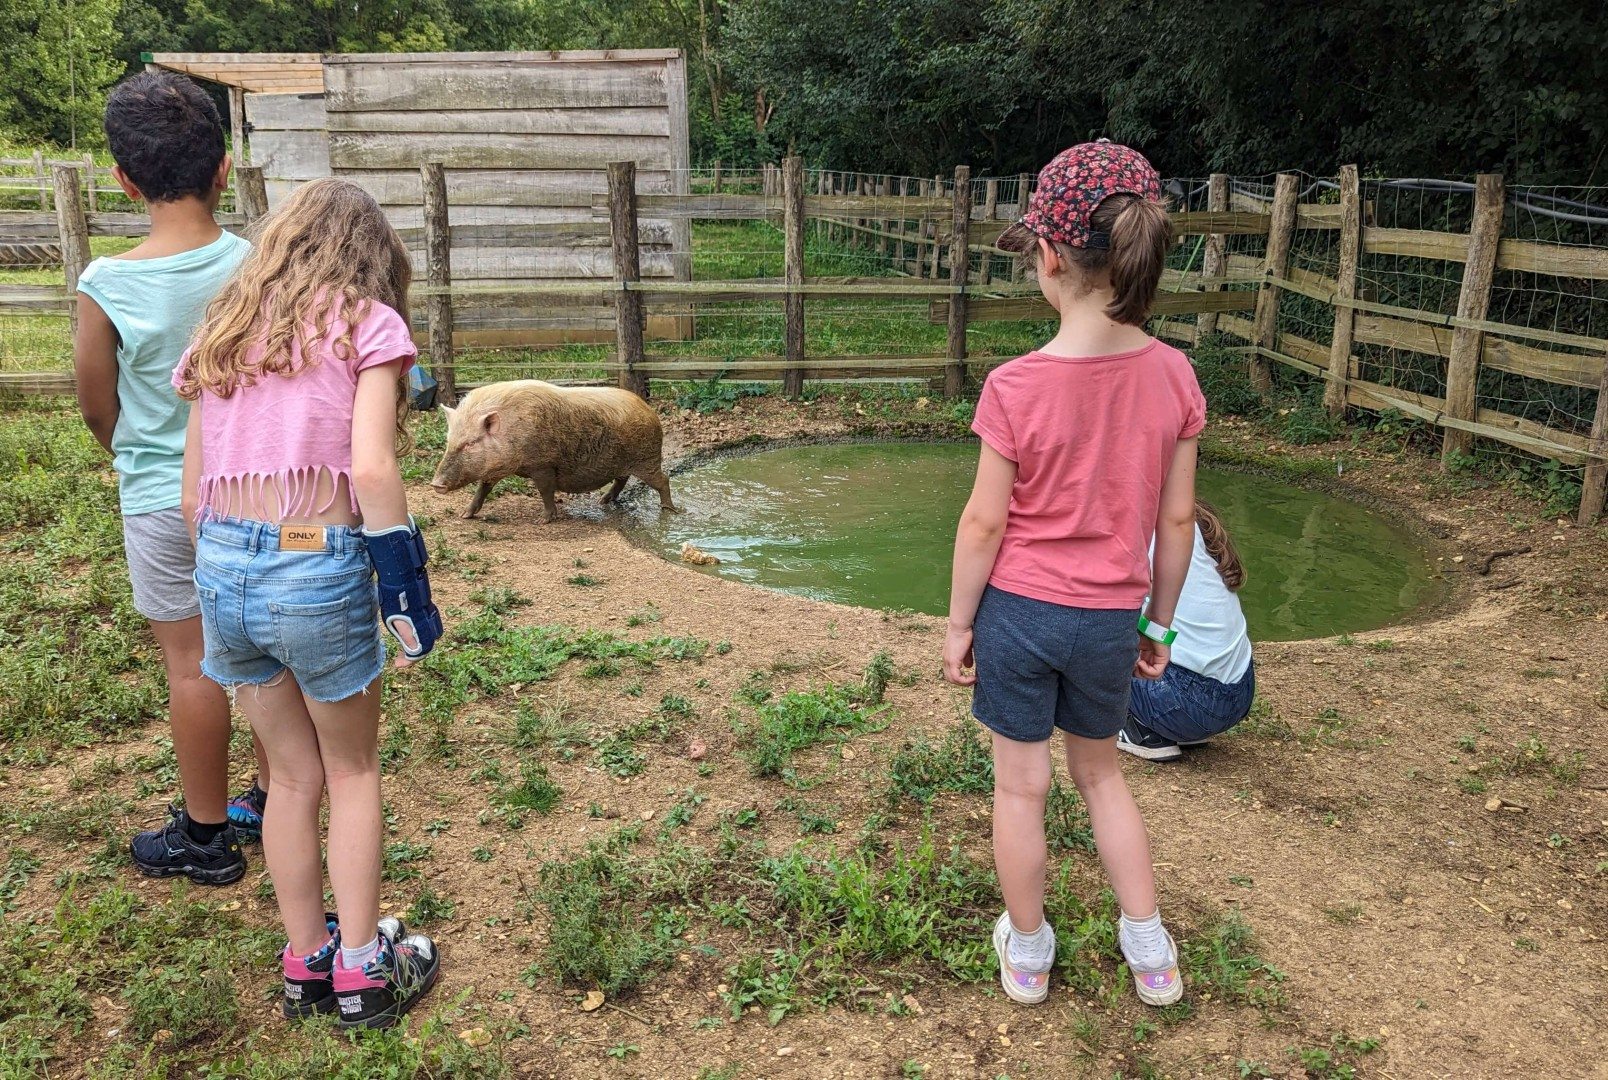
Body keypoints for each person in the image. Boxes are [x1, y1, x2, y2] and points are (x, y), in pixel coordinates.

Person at [174, 177, 444, 1028]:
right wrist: (402, 578)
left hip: (222, 564)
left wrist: (231, 570)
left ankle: (306, 960)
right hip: (314, 565)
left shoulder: (223, 330)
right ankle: (365, 969)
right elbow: (369, 471)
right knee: (354, 769)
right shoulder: (369, 324)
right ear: (374, 258)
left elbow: (192, 493)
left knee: (290, 776)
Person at [943, 141, 1204, 1009]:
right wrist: (1158, 627)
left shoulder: (1014, 386)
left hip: (1016, 615)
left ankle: (1027, 951)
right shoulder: (1175, 376)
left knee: (1021, 785)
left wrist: (957, 625)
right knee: (1103, 777)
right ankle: (1149, 949)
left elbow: (983, 522)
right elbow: (1176, 524)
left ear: (1048, 258)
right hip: (1107, 621)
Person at [72, 71, 268, 884]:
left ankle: (205, 834)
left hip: (158, 496)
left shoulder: (106, 285)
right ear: (224, 168)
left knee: (191, 665)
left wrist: (135, 450)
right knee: (260, 655)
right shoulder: (259, 266)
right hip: (257, 496)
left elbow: (95, 404)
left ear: (124, 179)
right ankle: (268, 792)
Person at [1119, 502, 1256, 762]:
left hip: (1180, 703)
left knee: (1094, 626)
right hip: (1240, 693)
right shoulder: (1185, 523)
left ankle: (1141, 730)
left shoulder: (1137, 524)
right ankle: (1181, 727)